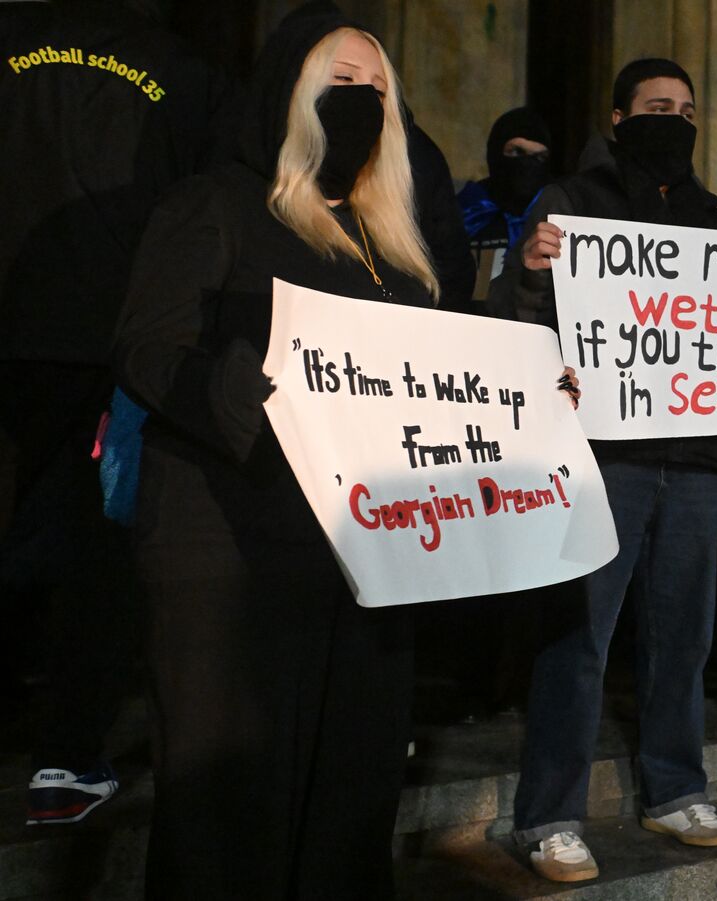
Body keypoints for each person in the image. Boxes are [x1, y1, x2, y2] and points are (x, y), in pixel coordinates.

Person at [113, 11, 577, 897]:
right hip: (227, 551)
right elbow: (146, 347)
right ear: (290, 92)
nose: (360, 100)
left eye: (376, 88)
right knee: (228, 803)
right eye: (340, 81)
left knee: (352, 786)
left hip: (365, 559)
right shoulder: (215, 203)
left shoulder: (395, 252)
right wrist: (246, 396)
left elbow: (444, 379)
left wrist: (532, 395)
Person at [492, 57, 717, 883]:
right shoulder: (570, 203)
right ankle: (549, 814)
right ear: (618, 118)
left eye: (686, 108)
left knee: (685, 637)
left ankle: (675, 788)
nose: (673, 119)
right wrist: (530, 272)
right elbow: (516, 319)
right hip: (603, 453)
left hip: (699, 460)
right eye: (656, 107)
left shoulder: (715, 222)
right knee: (579, 638)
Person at [0, 0, 227, 826]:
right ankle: (66, 755)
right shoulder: (186, 70)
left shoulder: (10, 37)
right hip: (119, 340)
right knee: (100, 546)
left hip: (16, 322)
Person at [457, 107, 552, 302]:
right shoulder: (468, 210)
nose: (527, 165)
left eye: (539, 157)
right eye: (516, 152)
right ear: (496, 152)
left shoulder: (553, 217)